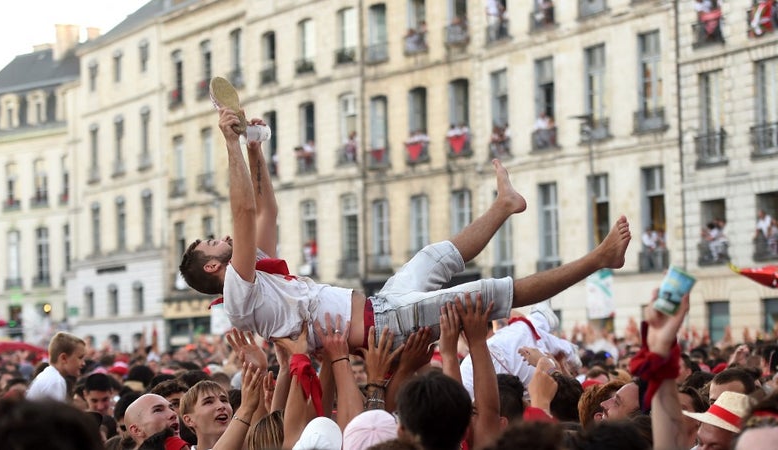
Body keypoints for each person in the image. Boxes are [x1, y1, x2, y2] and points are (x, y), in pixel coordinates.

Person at [179, 107, 632, 353]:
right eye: (211, 242)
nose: (222, 235)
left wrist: (256, 153)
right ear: (215, 265)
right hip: (385, 325)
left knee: (435, 256)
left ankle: (504, 205)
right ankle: (599, 258)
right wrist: (231, 143)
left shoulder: (256, 277)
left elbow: (265, 212)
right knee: (491, 292)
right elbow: (242, 210)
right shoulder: (240, 292)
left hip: (382, 306)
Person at [26, 331, 86, 402]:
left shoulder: (51, 376)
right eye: (80, 357)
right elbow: (55, 413)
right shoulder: (55, 381)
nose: (83, 363)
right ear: (64, 358)